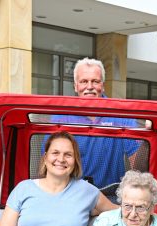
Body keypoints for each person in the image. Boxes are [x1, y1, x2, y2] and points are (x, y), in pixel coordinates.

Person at [60, 58, 141, 189]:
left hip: (111, 195)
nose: (90, 86)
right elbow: (50, 161)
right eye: (84, 81)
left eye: (95, 81)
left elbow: (138, 163)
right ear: (76, 86)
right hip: (71, 195)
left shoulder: (122, 114)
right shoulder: (61, 117)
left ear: (102, 85)